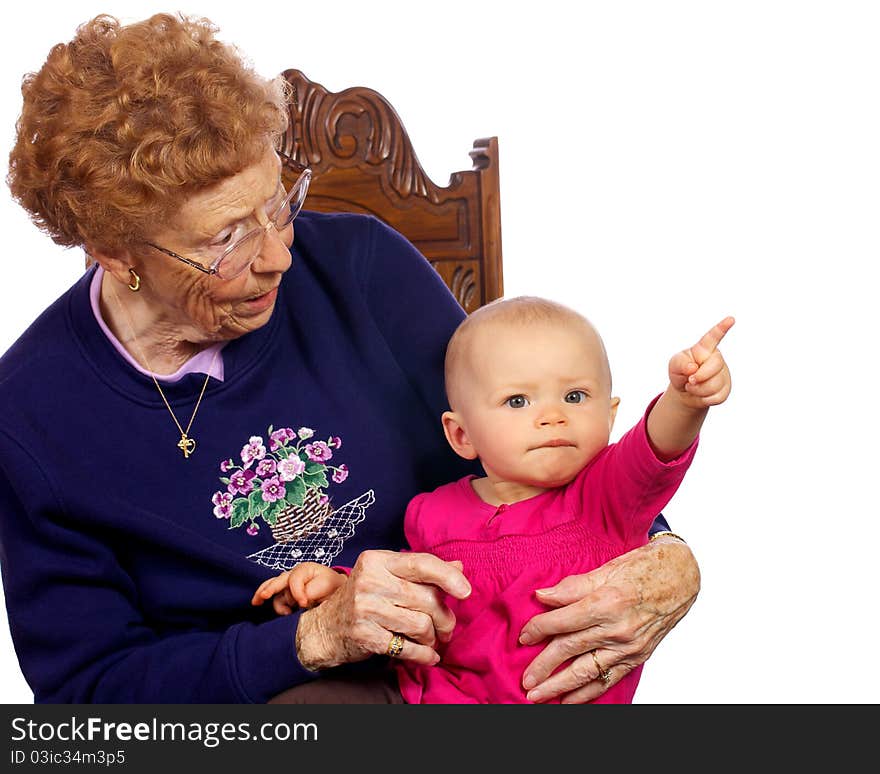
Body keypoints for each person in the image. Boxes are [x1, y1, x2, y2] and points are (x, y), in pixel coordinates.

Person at [0, 12, 700, 704]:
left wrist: (663, 554)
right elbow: (89, 696)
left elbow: (521, 434)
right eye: (228, 239)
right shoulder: (34, 417)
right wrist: (310, 637)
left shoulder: (364, 269)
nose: (278, 255)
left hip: (486, 665)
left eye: (278, 203)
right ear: (116, 253)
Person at [254, 298, 732, 702]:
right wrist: (336, 586)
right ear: (461, 434)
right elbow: (404, 594)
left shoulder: (606, 496)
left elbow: (656, 448)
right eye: (518, 402)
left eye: (575, 396)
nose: (552, 416)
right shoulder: (431, 511)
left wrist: (685, 402)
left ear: (610, 415)